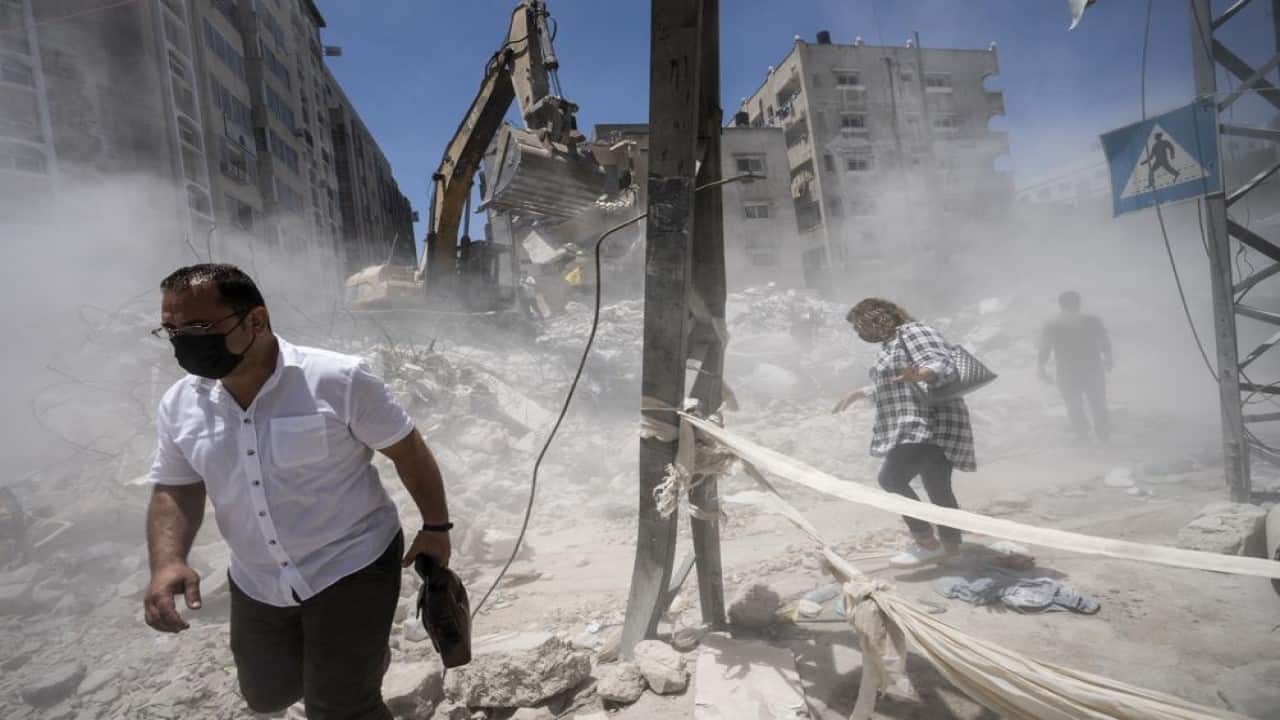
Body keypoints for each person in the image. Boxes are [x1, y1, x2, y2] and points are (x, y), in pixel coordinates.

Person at [143, 264, 451, 719]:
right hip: (258, 577)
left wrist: (436, 527)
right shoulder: (180, 404)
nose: (183, 340)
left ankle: (354, 672)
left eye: (200, 326)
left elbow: (408, 451)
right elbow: (176, 484)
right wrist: (167, 560)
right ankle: (354, 664)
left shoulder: (338, 379)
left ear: (256, 320)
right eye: (171, 329)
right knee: (266, 695)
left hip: (351, 561)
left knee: (340, 705)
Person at [833, 298, 976, 568]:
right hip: (926, 422)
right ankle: (951, 547)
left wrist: (924, 373)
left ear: (875, 318)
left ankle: (927, 543)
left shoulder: (913, 332)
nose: (859, 333)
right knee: (937, 486)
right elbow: (897, 386)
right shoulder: (893, 344)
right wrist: (859, 393)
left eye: (859, 326)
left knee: (891, 479)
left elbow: (940, 362)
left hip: (926, 422)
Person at [1038, 290, 1112, 444]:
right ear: (1078, 303)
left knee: (1073, 403)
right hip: (1092, 368)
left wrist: (1041, 367)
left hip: (1067, 370)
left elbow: (1045, 347)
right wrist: (1108, 359)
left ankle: (1083, 435)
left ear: (1060, 305)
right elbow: (1104, 341)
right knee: (1098, 402)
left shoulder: (1052, 324)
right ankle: (1103, 434)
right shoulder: (1092, 321)